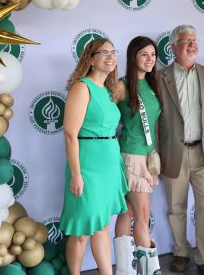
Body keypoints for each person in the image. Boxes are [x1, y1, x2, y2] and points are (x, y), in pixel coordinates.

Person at [157, 24, 204, 275]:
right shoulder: (159, 77)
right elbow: (155, 120)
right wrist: (155, 154)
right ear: (173, 47)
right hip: (173, 153)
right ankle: (180, 252)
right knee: (176, 208)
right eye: (185, 40)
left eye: (194, 39)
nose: (191, 44)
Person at [59, 38, 129, 275]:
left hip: (109, 163)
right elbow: (70, 133)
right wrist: (76, 174)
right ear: (90, 59)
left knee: (102, 227)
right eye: (104, 53)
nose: (111, 57)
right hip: (88, 166)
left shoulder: (109, 90)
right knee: (81, 233)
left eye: (113, 52)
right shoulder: (82, 87)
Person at [113, 36, 163, 275]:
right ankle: (149, 271)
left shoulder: (153, 85)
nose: (150, 60)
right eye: (144, 55)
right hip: (131, 156)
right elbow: (102, 117)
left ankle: (126, 271)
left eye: (153, 55)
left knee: (128, 212)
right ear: (133, 56)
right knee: (141, 217)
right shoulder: (121, 86)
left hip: (147, 156)